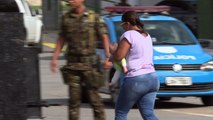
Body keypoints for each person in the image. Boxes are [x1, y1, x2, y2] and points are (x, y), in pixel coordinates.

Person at [50, 0, 112, 120]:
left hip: (90, 65)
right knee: (74, 101)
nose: (71, 1)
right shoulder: (66, 18)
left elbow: (104, 36)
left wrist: (108, 57)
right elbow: (61, 38)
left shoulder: (93, 17)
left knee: (95, 100)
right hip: (73, 65)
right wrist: (54, 58)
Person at [111, 11, 160, 120]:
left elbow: (119, 56)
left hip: (136, 79)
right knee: (148, 113)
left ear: (127, 24)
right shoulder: (147, 35)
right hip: (152, 78)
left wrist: (113, 52)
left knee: (121, 112)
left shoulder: (128, 34)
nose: (122, 27)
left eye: (122, 25)